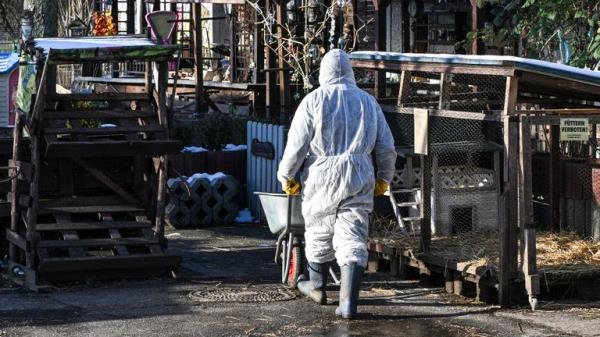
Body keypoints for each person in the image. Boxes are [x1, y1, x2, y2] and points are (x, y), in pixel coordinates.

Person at [277, 49, 397, 319]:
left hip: (321, 176)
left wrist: (287, 176)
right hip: (359, 173)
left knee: (318, 231)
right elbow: (387, 147)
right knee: (353, 235)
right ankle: (348, 304)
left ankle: (318, 287)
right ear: (351, 72)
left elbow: (296, 146)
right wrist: (383, 179)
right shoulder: (368, 101)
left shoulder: (313, 101)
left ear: (323, 72)